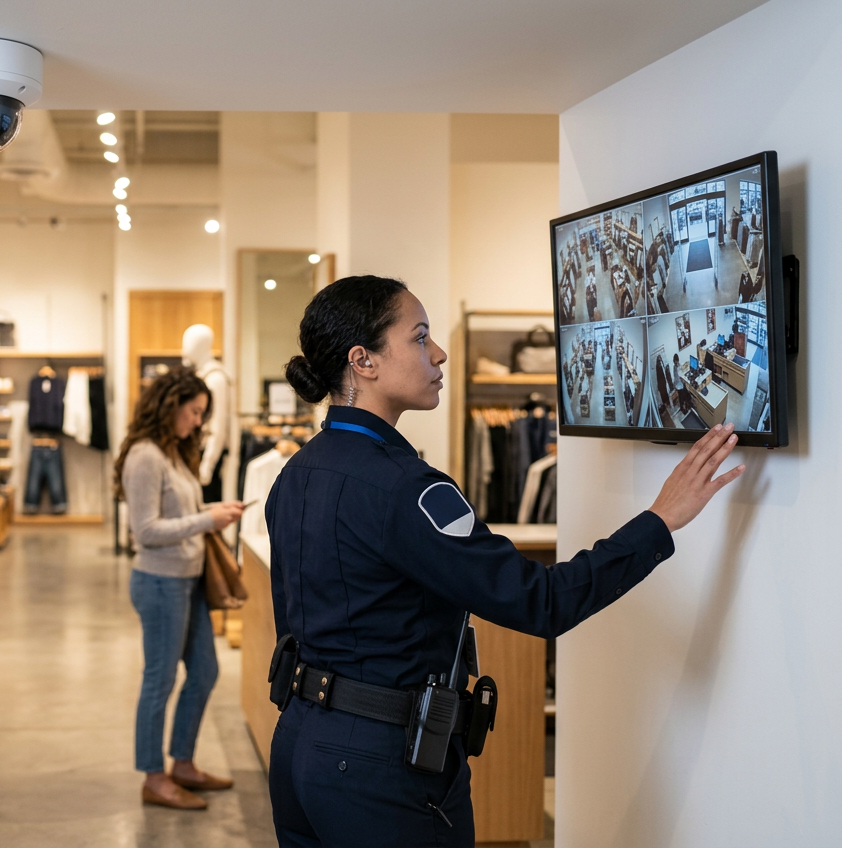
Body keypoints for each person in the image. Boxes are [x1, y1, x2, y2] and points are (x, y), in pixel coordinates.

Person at [267, 276, 743, 847]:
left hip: (297, 745)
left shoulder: (295, 474)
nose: (438, 352)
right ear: (363, 361)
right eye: (419, 338)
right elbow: (542, 603)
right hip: (376, 768)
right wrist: (659, 521)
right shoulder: (404, 487)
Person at [115, 368, 244, 811]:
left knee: (205, 671)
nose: (197, 422)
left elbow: (179, 513)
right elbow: (147, 531)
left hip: (186, 583)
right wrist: (208, 520)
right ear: (170, 406)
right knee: (160, 680)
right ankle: (154, 776)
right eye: (194, 412)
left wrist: (213, 509)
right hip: (159, 582)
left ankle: (183, 763)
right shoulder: (146, 455)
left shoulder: (171, 453)